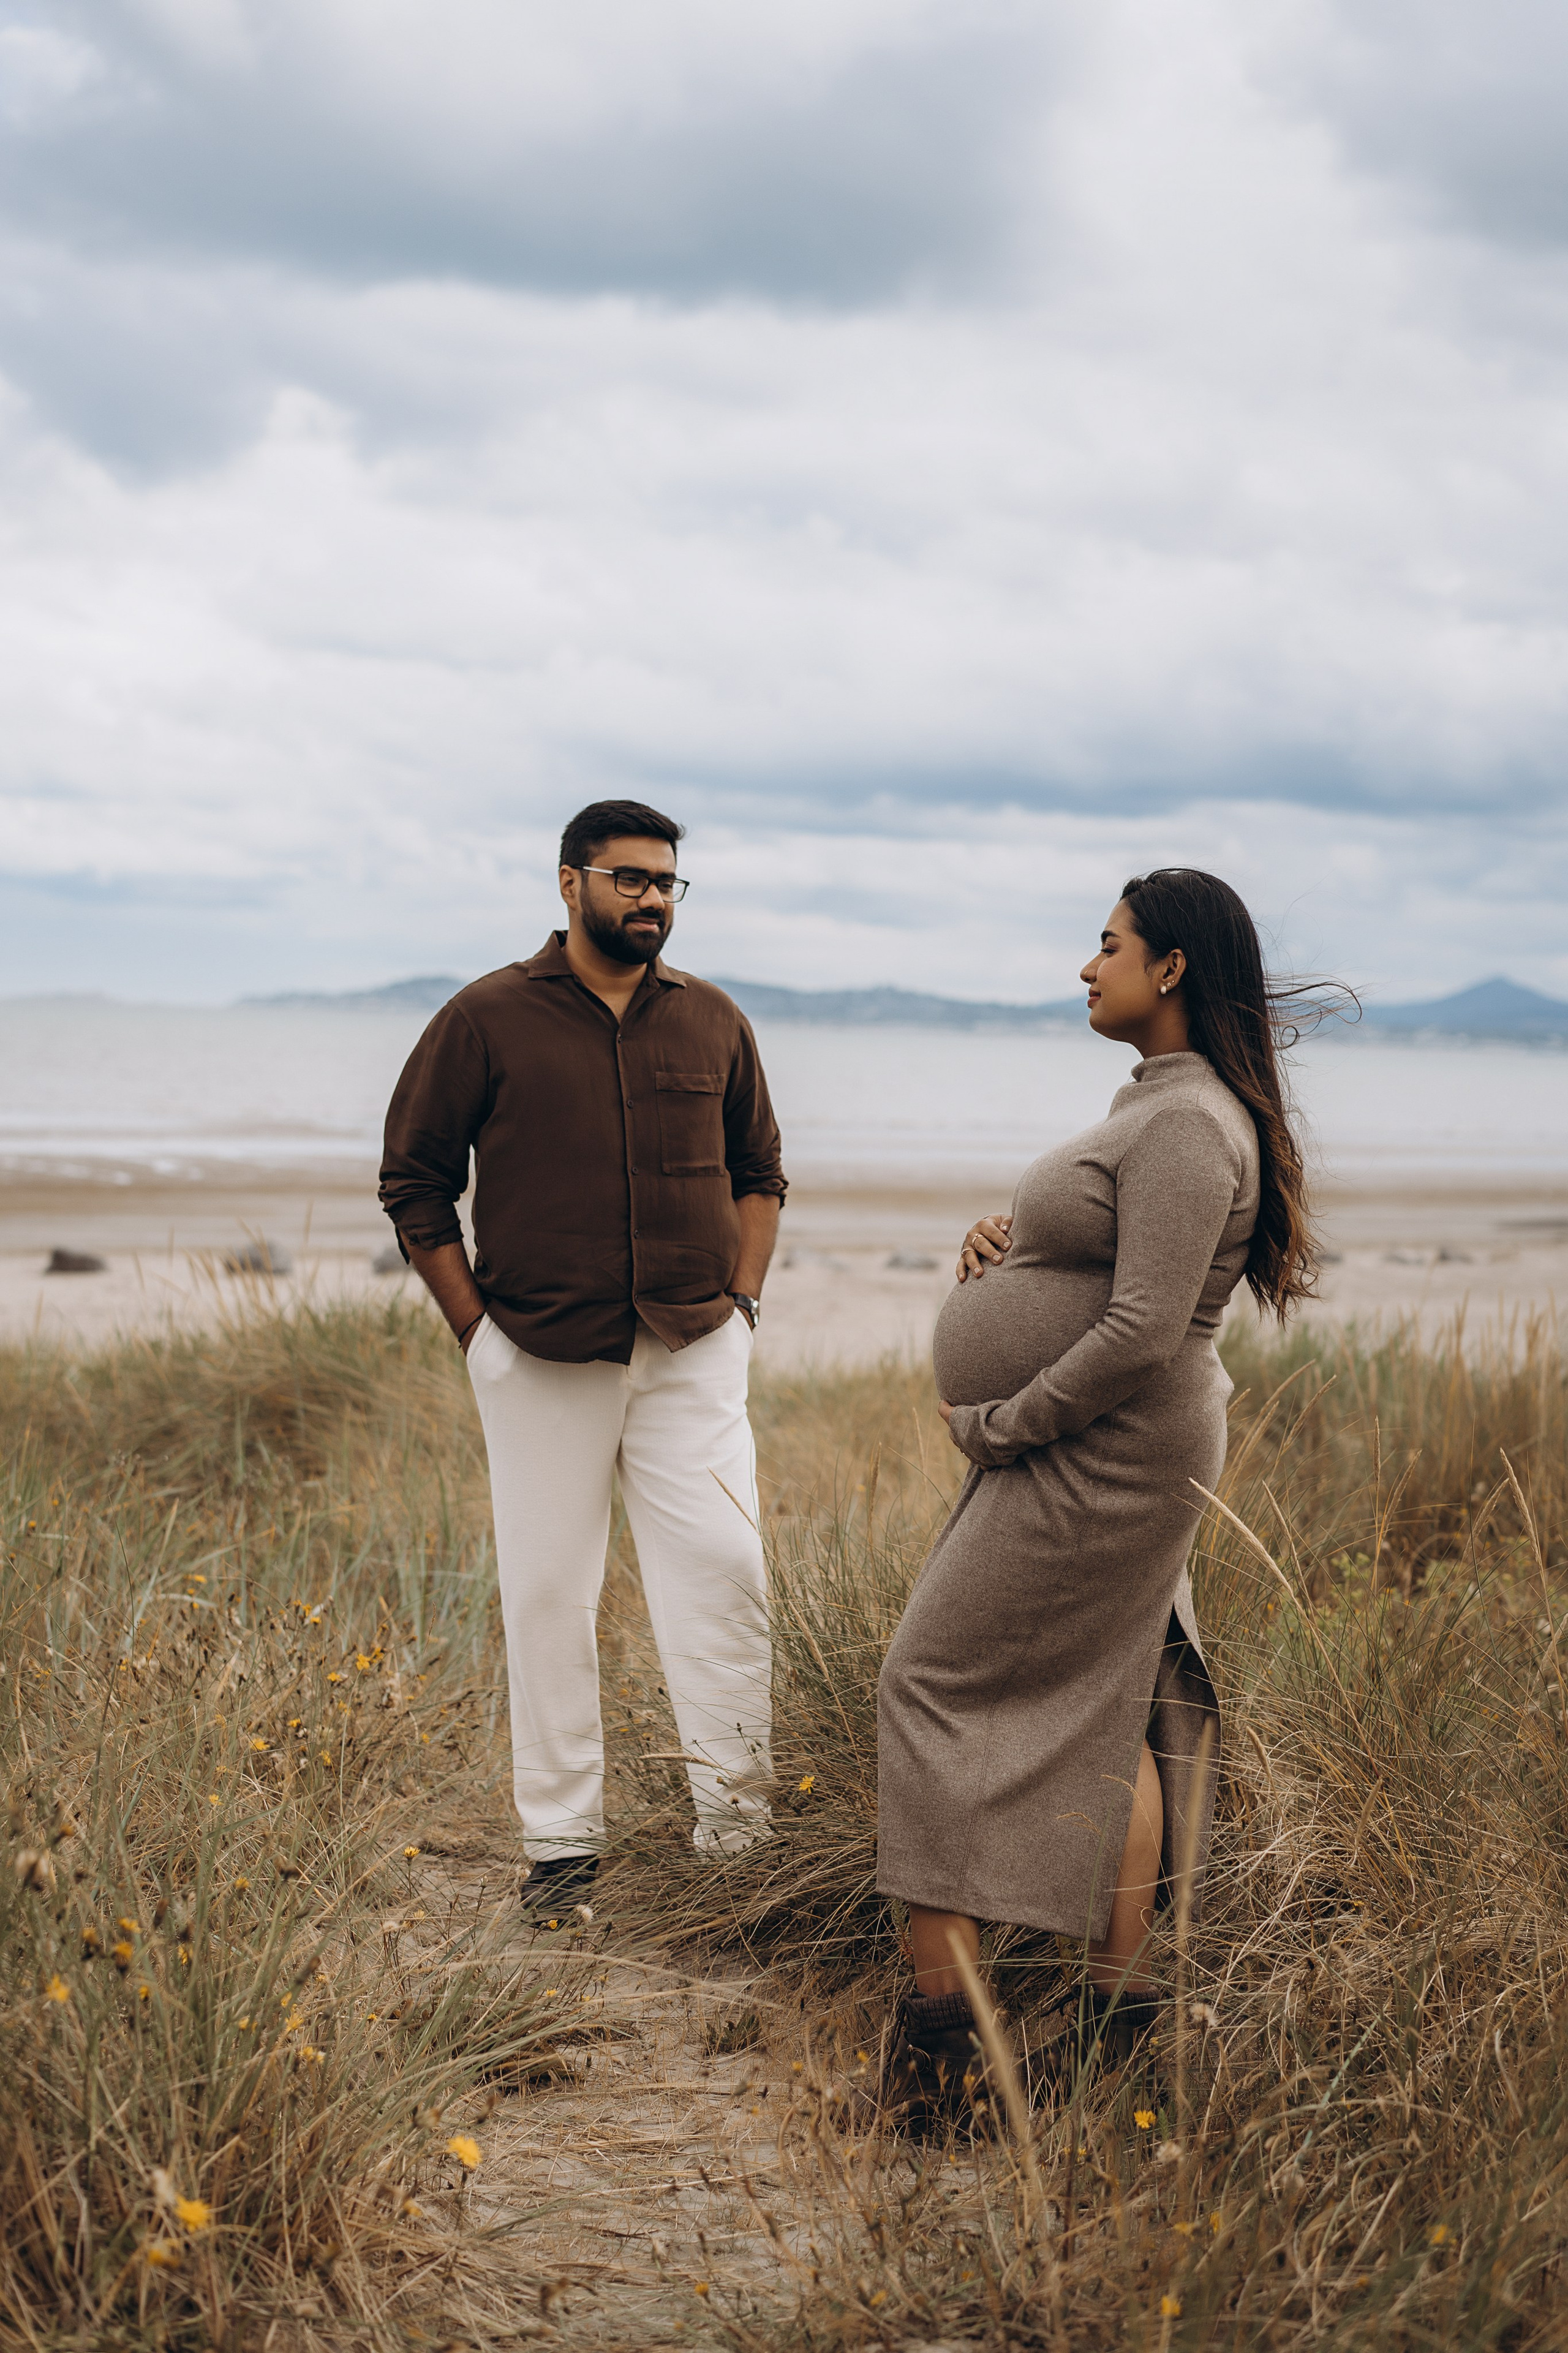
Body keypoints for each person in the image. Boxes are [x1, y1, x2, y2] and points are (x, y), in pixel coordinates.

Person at [875, 868, 1316, 2123]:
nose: (1086, 966)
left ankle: (945, 2054)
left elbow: (1140, 1329)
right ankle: (1119, 2020)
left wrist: (1001, 1423)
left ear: (1168, 967)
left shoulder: (1186, 1123)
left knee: (923, 1680)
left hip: (1105, 1453)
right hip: (1108, 1446)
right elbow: (1110, 1266)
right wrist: (1003, 1246)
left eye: (1107, 944)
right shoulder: (1164, 1109)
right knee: (1105, 1702)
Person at [379, 799, 786, 1917]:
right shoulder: (485, 1018)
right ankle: (562, 1852)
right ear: (570, 884)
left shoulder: (712, 1020)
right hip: (541, 1353)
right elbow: (414, 1182)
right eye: (630, 879)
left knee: (727, 1577)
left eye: (668, 882)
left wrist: (743, 1303)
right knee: (550, 1592)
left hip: (694, 1347)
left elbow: (761, 1172)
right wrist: (479, 1335)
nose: (652, 898)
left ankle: (741, 1841)